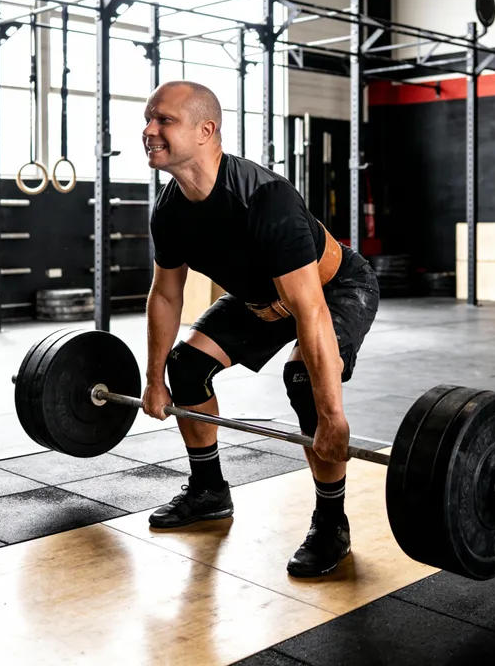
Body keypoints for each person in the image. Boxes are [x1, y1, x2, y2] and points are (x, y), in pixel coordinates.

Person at [141, 80, 379, 578]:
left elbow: (309, 309)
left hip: (334, 289)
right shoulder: (170, 210)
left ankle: (331, 523)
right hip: (260, 299)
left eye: (164, 120)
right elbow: (166, 294)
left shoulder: (265, 198)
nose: (149, 130)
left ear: (206, 131)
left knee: (305, 383)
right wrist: (154, 377)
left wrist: (333, 417)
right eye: (149, 119)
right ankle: (209, 492)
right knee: (187, 371)